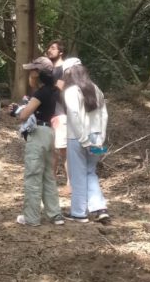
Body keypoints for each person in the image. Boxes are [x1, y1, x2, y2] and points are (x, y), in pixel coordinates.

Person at [11, 57, 65, 226]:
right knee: (48, 175)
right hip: (49, 132)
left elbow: (24, 115)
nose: (30, 74)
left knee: (33, 175)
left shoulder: (40, 93)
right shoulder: (53, 90)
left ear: (38, 74)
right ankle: (55, 214)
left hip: (38, 134)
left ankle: (31, 217)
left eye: (32, 71)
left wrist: (16, 112)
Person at [62, 59, 111, 224]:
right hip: (97, 137)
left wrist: (83, 139)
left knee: (78, 175)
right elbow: (104, 115)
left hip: (77, 138)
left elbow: (75, 116)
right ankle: (100, 209)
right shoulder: (96, 89)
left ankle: (78, 213)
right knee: (90, 172)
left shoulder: (71, 91)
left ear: (69, 72)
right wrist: (100, 137)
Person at [46, 40, 68, 180]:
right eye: (49, 48)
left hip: (62, 113)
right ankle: (51, 184)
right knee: (50, 150)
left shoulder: (66, 68)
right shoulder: (47, 69)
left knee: (64, 150)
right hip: (48, 112)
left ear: (61, 52)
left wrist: (49, 80)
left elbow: (63, 86)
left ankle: (70, 184)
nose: (49, 50)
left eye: (53, 48)